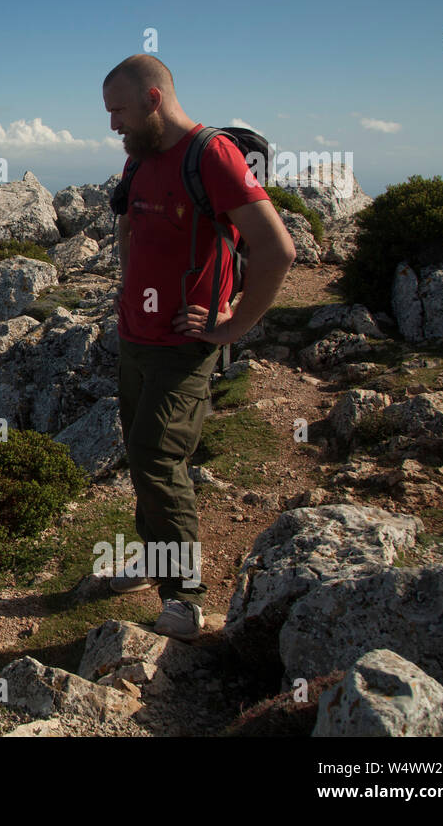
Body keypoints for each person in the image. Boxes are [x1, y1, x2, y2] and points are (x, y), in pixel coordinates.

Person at [101, 54, 296, 641]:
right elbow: (127, 223)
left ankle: (184, 599)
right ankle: (157, 559)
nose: (113, 125)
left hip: (183, 345)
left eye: (119, 111)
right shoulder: (141, 156)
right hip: (135, 335)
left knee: (157, 457)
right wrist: (126, 285)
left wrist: (234, 325)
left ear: (154, 99)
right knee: (142, 455)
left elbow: (276, 247)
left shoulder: (210, 156)